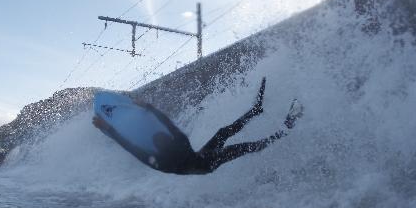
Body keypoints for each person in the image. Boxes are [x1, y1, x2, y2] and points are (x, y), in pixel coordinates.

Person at [92, 77, 303, 175]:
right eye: (164, 138)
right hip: (205, 165)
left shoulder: (174, 143)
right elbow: (131, 146)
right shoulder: (161, 159)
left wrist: (147, 107)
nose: (166, 135)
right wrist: (108, 128)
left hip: (199, 156)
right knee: (244, 147)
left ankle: (255, 111)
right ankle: (284, 131)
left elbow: (164, 124)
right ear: (163, 145)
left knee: (223, 132)